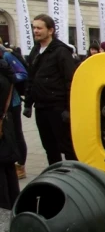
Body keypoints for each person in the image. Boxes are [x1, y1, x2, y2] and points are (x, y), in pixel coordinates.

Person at [23, 14, 78, 164]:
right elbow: (31, 78)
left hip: (58, 108)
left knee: (68, 148)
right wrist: (28, 104)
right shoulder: (35, 51)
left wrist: (68, 108)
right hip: (41, 108)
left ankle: (74, 177)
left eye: (39, 28)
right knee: (49, 147)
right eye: (34, 27)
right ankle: (54, 178)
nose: (36, 31)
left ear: (50, 30)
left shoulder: (61, 51)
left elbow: (71, 81)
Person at [0, 40, 29, 180]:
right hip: (3, 103)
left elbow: (23, 74)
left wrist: (8, 79)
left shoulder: (6, 56)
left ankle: (21, 165)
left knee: (16, 134)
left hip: (12, 103)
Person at [0, 60, 20, 209]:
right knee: (8, 169)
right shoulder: (5, 71)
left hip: (3, 128)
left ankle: (5, 210)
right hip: (5, 126)